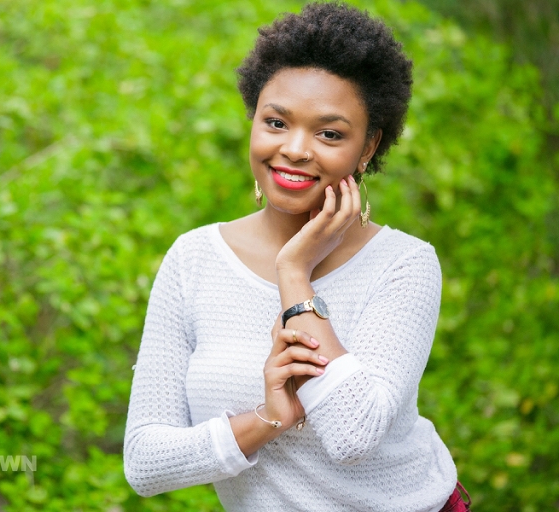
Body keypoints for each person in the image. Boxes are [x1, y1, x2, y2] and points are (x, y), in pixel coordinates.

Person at [124, 3, 469, 511]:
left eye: (329, 133)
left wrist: (294, 273)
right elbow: (145, 461)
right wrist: (269, 420)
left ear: (368, 147)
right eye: (276, 122)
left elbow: (353, 436)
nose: (295, 149)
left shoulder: (404, 264)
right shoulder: (193, 260)